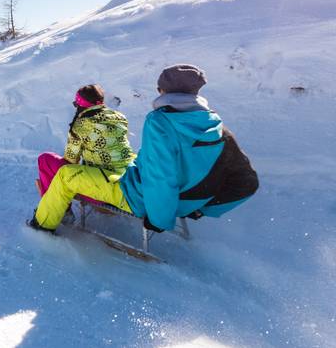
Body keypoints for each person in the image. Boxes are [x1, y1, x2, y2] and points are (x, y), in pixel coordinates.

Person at [28, 64, 260, 234]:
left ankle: (41, 226)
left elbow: (162, 175)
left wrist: (159, 219)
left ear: (164, 91)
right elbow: (247, 181)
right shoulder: (216, 125)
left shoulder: (161, 121)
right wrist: (198, 207)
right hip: (178, 199)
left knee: (66, 175)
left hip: (138, 196)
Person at [28, 84, 136, 231]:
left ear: (80, 104)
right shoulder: (119, 117)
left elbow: (70, 160)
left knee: (46, 160)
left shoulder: (81, 125)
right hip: (129, 180)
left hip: (103, 185)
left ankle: (59, 211)